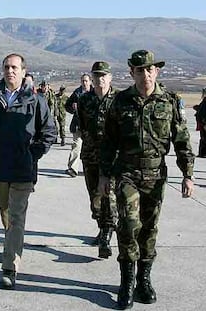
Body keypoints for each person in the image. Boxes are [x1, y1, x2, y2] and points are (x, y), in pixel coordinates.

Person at [99, 50, 195, 309]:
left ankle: (144, 280)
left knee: (149, 229)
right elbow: (108, 142)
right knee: (129, 226)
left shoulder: (169, 101)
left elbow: (182, 141)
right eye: (140, 70)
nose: (145, 75)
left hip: (155, 175)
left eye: (150, 69)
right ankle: (126, 283)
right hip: (127, 174)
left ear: (157, 72)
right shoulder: (120, 102)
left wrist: (188, 175)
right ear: (132, 73)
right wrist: (104, 175)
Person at [0, 53, 56, 289]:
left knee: (17, 217)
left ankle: (10, 267)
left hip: (22, 170)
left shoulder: (36, 101)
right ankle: (12, 248)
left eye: (15, 67)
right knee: (6, 215)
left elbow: (49, 133)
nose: (10, 71)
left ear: (24, 71)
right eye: (7, 67)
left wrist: (32, 155)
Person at [77, 62, 119, 258]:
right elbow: (82, 126)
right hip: (91, 156)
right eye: (96, 76)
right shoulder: (85, 100)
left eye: (104, 75)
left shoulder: (119, 100)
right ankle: (103, 228)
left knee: (109, 198)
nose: (100, 79)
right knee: (94, 199)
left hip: (112, 159)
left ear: (110, 78)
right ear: (91, 79)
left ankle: (106, 236)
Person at [64, 74, 92, 177]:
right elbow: (67, 105)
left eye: (86, 81)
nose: (84, 83)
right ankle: (73, 169)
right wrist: (72, 107)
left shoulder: (94, 93)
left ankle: (90, 169)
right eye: (83, 81)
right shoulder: (77, 93)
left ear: (90, 81)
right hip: (78, 125)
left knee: (90, 149)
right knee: (76, 146)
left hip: (91, 127)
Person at [194, 88, 206, 157]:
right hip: (203, 123)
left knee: (203, 138)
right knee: (204, 138)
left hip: (202, 122)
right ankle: (203, 153)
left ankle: (202, 153)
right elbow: (202, 113)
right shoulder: (204, 101)